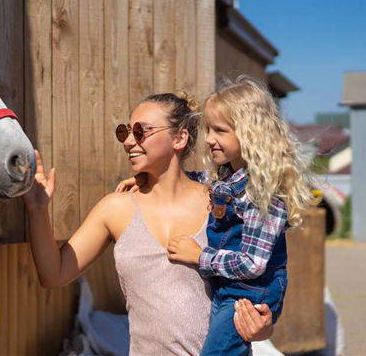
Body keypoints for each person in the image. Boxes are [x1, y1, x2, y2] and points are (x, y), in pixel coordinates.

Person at [22, 91, 275, 355]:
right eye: (125, 132)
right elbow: (54, 274)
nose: (129, 141)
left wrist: (263, 326)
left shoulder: (218, 202)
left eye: (142, 131)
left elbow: (258, 283)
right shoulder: (116, 208)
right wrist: (37, 208)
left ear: (179, 138)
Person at [119, 77, 319, 356]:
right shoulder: (227, 176)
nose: (210, 139)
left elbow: (253, 264)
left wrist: (199, 256)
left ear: (250, 134)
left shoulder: (264, 195)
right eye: (209, 130)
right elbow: (202, 180)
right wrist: (147, 180)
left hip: (250, 294)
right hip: (230, 289)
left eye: (220, 131)